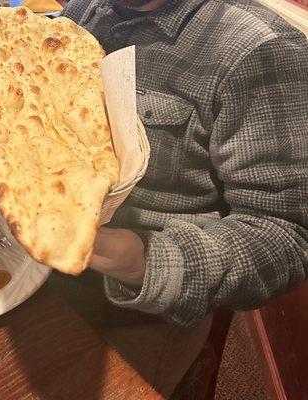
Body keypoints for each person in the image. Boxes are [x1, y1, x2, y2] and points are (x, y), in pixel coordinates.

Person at [48, 0, 308, 396]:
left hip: (144, 314)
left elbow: (287, 235)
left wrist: (145, 263)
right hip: (42, 272)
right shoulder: (85, 10)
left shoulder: (261, 49)